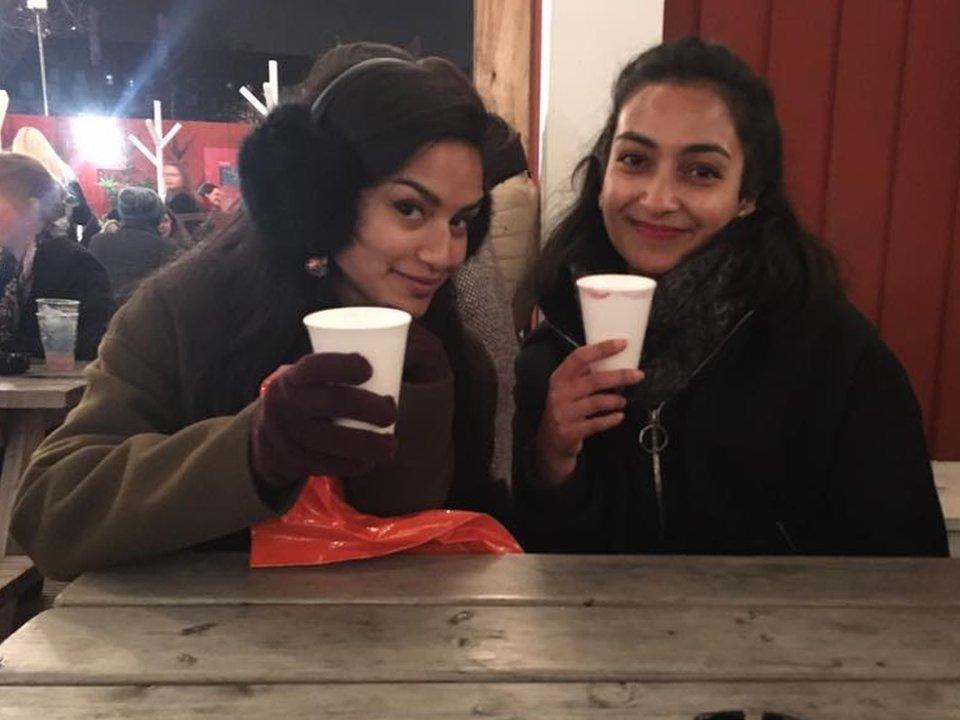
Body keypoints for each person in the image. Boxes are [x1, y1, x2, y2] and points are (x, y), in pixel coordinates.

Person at [12, 42, 508, 580]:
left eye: (462, 220)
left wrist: (426, 412)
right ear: (316, 197)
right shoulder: (181, 316)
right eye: (410, 208)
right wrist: (254, 451)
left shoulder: (459, 356)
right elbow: (48, 515)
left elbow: (435, 545)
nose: (446, 253)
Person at [514, 37, 948, 557]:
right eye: (634, 160)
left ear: (747, 197)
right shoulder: (552, 350)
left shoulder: (835, 356)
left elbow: (904, 569)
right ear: (603, 174)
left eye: (701, 171)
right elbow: (533, 579)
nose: (656, 199)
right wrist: (550, 463)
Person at [0, 153, 112, 362]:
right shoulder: (8, 264)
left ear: (31, 208)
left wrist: (17, 353)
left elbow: (94, 346)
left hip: (59, 389)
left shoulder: (74, 264)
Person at [88, 186, 178, 306]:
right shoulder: (166, 248)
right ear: (160, 215)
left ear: (121, 212)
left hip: (104, 317)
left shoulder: (98, 242)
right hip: (145, 317)